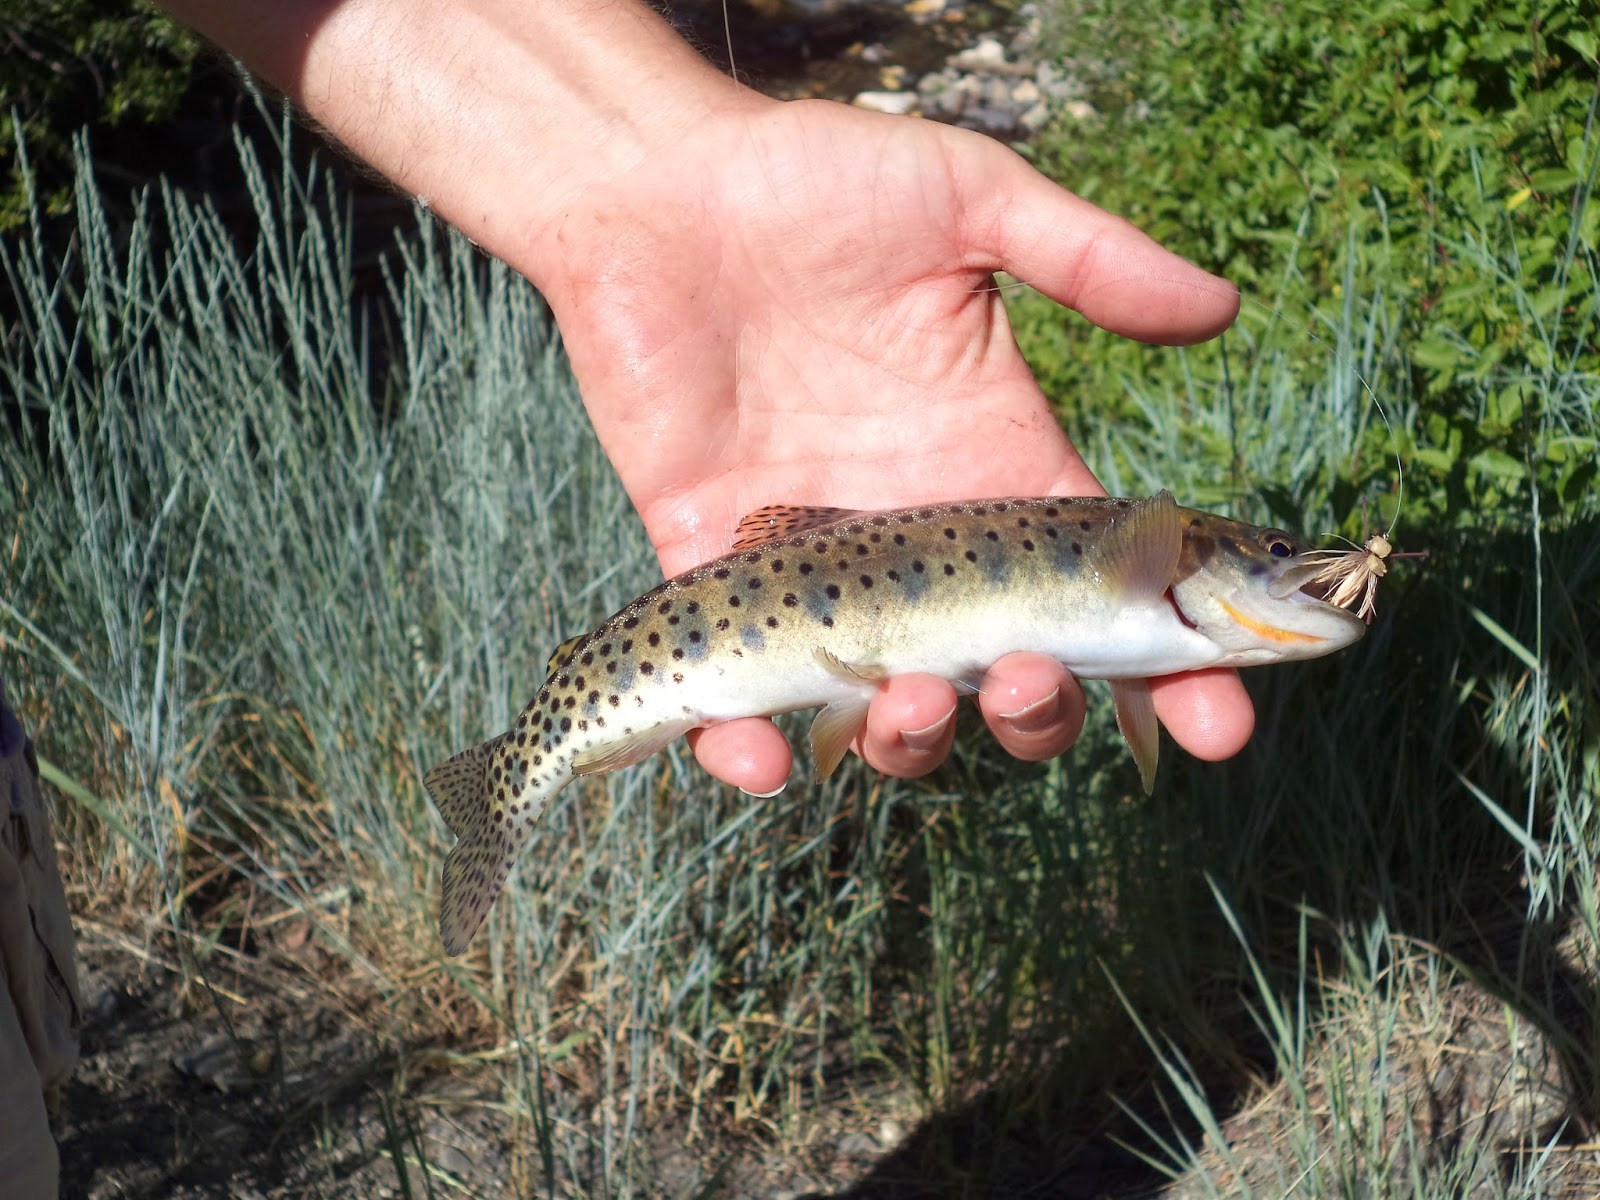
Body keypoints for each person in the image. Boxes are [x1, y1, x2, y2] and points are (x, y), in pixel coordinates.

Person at [3, 2, 1253, 1192]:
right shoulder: (1158, 546)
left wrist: (655, 166)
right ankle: (500, 785)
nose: (1295, 578)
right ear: (1190, 553)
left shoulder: (1149, 572)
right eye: (1275, 559)